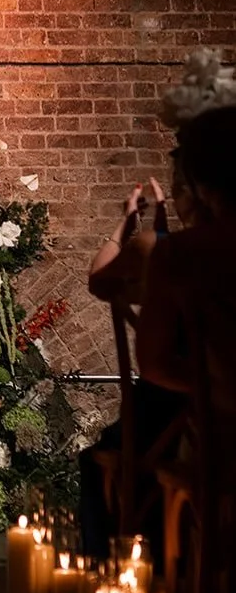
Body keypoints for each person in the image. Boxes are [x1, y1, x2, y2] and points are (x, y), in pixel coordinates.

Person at [78, 167, 194, 558]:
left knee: (98, 460)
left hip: (174, 417)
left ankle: (105, 570)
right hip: (219, 417)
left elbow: (100, 280)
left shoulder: (161, 253)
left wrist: (128, 227)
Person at [138, 105, 236, 433]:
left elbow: (154, 365)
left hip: (223, 445)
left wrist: (215, 386)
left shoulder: (181, 252)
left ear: (198, 185)